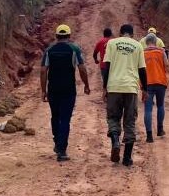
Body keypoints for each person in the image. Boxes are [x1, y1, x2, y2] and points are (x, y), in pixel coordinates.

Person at [40, 24, 91, 162]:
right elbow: (82, 69)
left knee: (55, 116)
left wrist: (43, 90)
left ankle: (57, 142)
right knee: (65, 119)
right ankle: (62, 150)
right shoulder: (74, 49)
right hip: (68, 89)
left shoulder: (49, 50)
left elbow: (43, 70)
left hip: (53, 89)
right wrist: (86, 85)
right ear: (69, 36)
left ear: (56, 36)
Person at [102, 24, 148, 167]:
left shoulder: (112, 43)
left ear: (120, 33)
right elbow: (142, 70)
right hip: (131, 88)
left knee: (113, 117)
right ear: (132, 34)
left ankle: (115, 140)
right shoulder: (138, 45)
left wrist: (105, 87)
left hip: (114, 86)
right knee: (130, 121)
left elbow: (106, 67)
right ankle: (127, 158)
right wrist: (144, 89)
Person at [143, 33, 169, 143]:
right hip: (161, 83)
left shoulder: (142, 53)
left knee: (148, 109)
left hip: (147, 84)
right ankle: (160, 129)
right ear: (156, 41)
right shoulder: (161, 52)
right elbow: (167, 66)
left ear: (146, 42)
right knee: (160, 105)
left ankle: (149, 135)